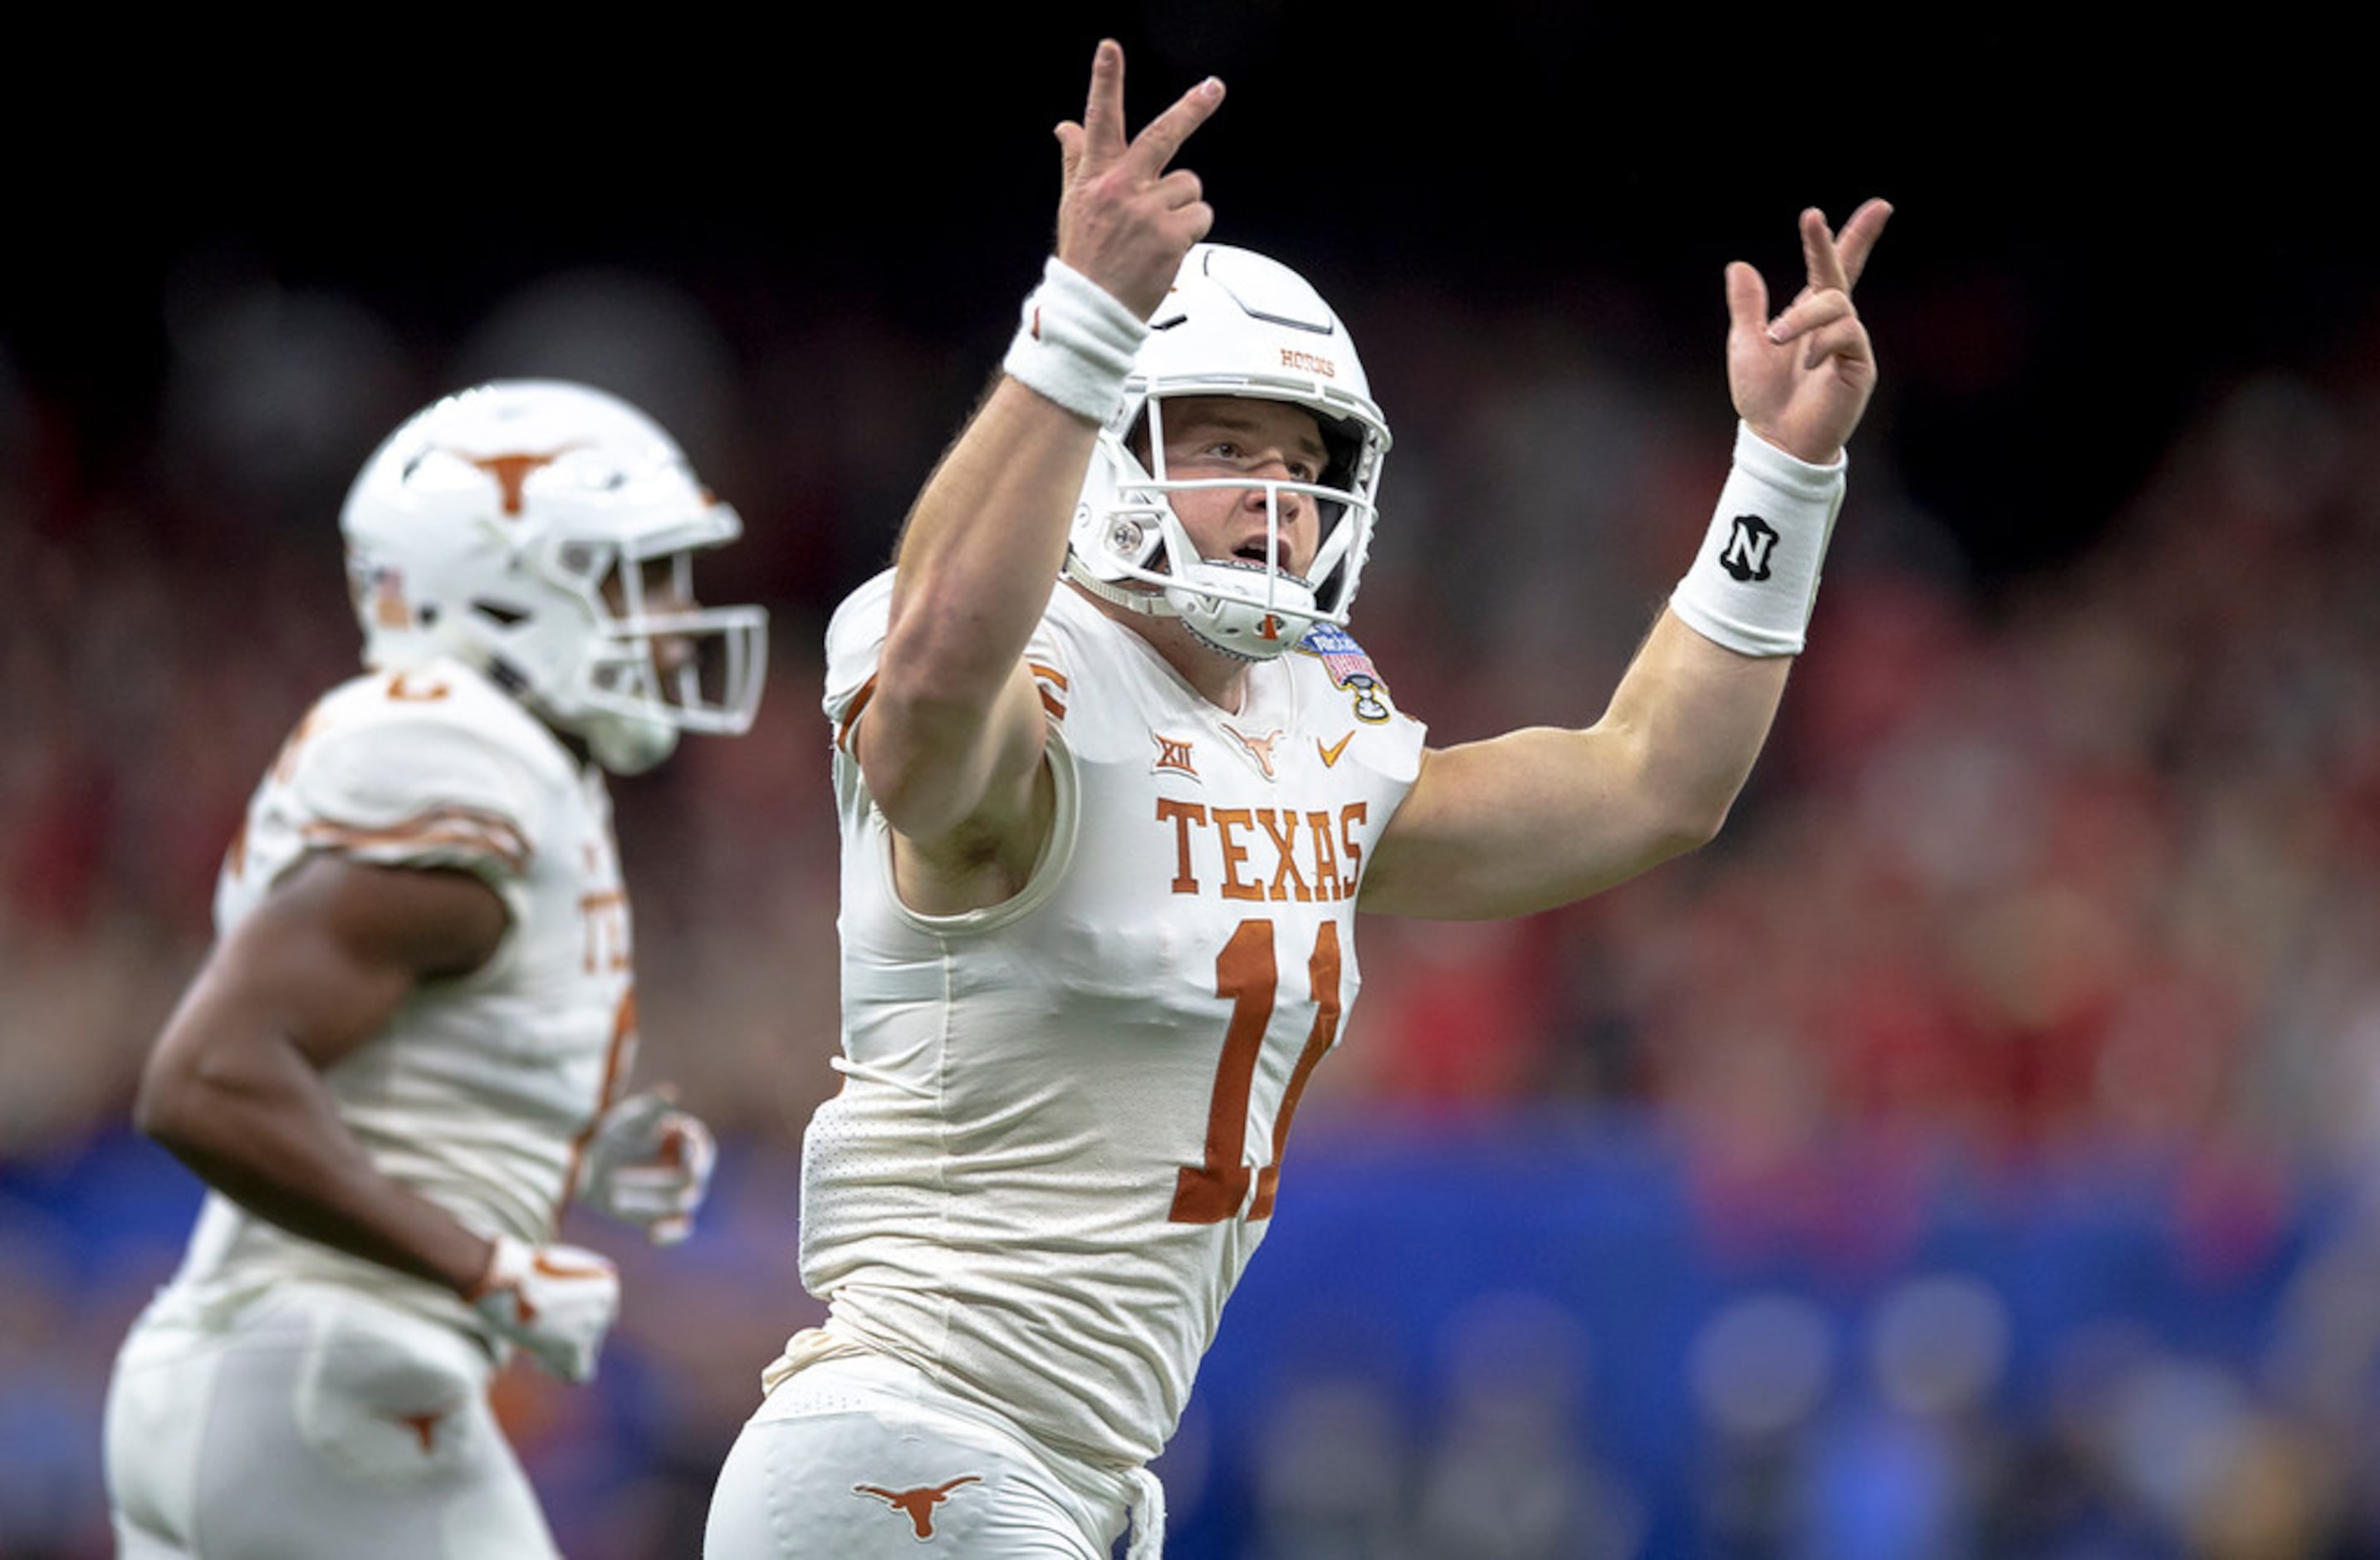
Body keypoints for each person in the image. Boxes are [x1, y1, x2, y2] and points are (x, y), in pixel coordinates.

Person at [705, 40, 1888, 1560]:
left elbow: (1646, 784)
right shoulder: (1015, 657)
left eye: (1302, 460)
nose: (1274, 497)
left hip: (1069, 1470)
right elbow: (932, 704)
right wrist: (1073, 321)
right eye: (1220, 445)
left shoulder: (1312, 717)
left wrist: (1777, 483)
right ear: (1107, 437)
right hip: (918, 1440)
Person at [102, 380, 768, 1558]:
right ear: (509, 581)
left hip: (270, 1382)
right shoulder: (464, 758)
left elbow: (388, 1068)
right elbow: (204, 1079)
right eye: (643, 577)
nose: (675, 622)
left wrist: (571, 1145)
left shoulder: (516, 769)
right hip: (325, 1374)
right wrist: (488, 1265)